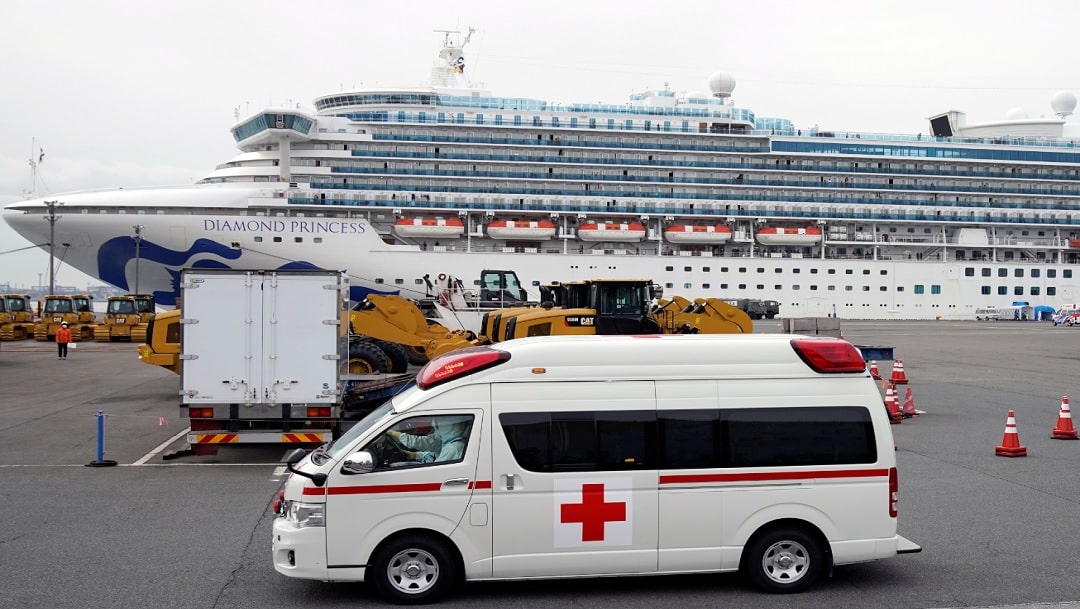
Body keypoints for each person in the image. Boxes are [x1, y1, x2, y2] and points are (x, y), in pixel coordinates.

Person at [386, 416, 471, 464]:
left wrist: (395, 434)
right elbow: (427, 443)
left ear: (446, 426)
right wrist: (414, 455)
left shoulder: (453, 448)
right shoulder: (447, 440)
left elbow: (434, 469)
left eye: (437, 427)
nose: (435, 430)